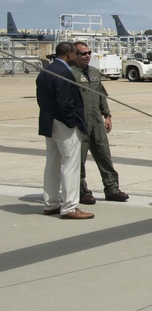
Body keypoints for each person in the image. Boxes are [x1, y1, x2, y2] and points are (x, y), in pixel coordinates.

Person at [36, 42, 93, 219]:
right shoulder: (64, 72)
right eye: (75, 54)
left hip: (48, 122)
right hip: (63, 124)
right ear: (69, 54)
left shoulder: (45, 71)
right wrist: (73, 123)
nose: (77, 57)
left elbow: (41, 99)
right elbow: (65, 102)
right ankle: (69, 207)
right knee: (70, 165)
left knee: (52, 163)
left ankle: (51, 204)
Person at [72, 41, 130, 203]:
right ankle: (82, 192)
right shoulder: (70, 73)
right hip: (79, 124)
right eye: (83, 53)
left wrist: (108, 115)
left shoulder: (95, 73)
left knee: (104, 156)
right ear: (74, 55)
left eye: (89, 53)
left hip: (96, 122)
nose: (87, 56)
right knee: (79, 160)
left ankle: (112, 189)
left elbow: (101, 96)